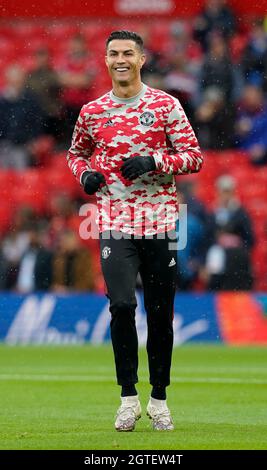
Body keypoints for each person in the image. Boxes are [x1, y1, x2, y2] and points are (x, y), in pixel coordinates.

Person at [67, 30, 203, 432]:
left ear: (142, 59)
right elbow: (75, 154)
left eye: (128, 53)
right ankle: (128, 397)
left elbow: (194, 157)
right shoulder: (93, 112)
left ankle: (158, 399)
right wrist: (86, 174)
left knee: (161, 314)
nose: (120, 59)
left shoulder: (165, 105)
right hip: (114, 223)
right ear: (105, 60)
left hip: (161, 223)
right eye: (114, 53)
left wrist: (154, 161)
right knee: (123, 306)